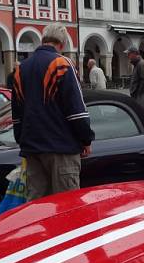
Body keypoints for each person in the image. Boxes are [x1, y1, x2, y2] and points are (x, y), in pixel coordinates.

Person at [12, 24, 94, 201]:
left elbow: (16, 114)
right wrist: (86, 139)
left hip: (32, 148)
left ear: (43, 40)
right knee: (67, 205)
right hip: (61, 148)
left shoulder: (21, 68)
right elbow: (76, 111)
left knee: (37, 206)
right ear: (62, 44)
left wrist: (22, 140)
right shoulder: (62, 64)